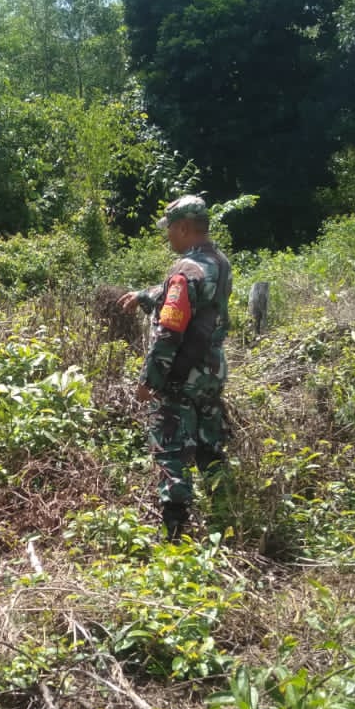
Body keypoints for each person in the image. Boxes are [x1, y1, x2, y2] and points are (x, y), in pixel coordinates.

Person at [119, 194, 233, 540]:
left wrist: (149, 380)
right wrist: (146, 294)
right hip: (211, 373)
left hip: (181, 377)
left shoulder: (184, 271)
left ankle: (175, 537)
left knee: (170, 452)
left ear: (184, 228)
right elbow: (192, 295)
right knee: (210, 445)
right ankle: (224, 519)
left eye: (170, 228)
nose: (167, 235)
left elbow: (169, 332)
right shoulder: (218, 261)